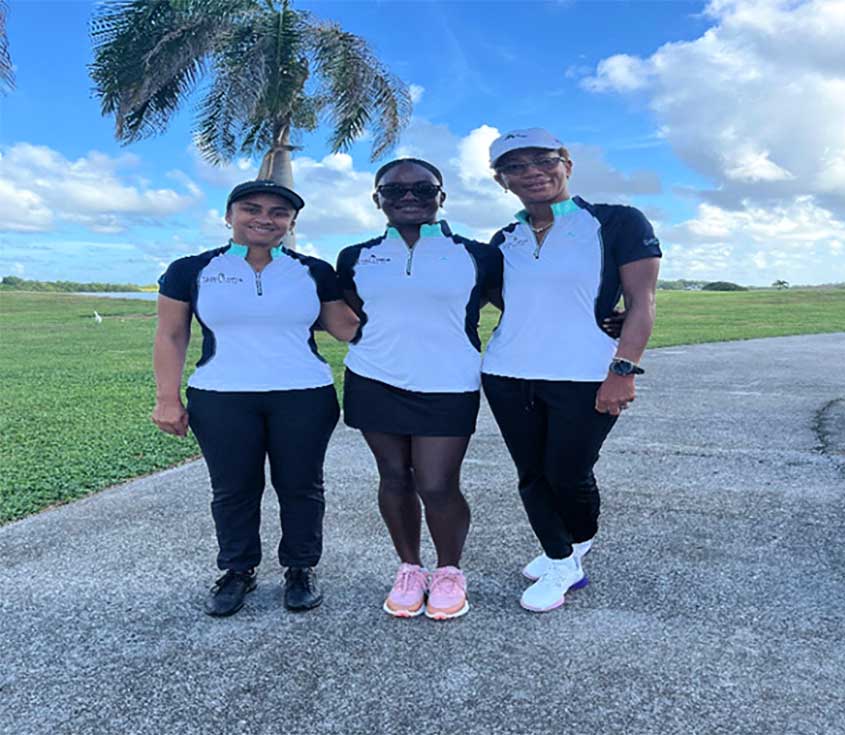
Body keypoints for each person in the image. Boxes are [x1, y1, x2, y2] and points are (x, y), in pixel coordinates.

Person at [152, 179, 359, 617]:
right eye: (251, 208)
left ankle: (301, 568)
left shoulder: (313, 270)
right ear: (228, 216)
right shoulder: (190, 270)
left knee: (302, 486)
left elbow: (347, 328)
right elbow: (172, 335)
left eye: (278, 212)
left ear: (291, 222)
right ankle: (237, 571)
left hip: (303, 395)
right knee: (233, 490)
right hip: (221, 397)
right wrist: (166, 398)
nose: (265, 218)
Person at [482, 128, 661, 613]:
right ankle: (562, 558)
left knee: (568, 471)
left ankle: (578, 539)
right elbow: (507, 299)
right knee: (532, 474)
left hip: (587, 373)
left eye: (544, 160)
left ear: (567, 164)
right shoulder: (505, 239)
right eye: (515, 167)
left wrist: (623, 368)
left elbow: (641, 303)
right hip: (507, 372)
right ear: (502, 181)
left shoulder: (617, 222)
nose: (532, 173)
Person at [336, 159, 502, 620]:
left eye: (422, 189)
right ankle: (409, 568)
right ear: (378, 199)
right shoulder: (355, 256)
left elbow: (524, 304)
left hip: (449, 383)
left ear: (441, 197)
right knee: (393, 477)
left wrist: (610, 319)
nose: (408, 197)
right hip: (373, 379)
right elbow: (351, 314)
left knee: (436, 482)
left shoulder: (477, 255)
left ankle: (449, 571)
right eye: (394, 191)